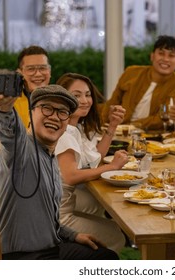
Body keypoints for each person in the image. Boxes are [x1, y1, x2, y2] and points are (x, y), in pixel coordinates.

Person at [0, 84, 118, 260]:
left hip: (49, 246)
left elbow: (47, 218)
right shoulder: (22, 149)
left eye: (62, 112)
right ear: (31, 113)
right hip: (20, 257)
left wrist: (74, 236)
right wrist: (4, 109)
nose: (55, 117)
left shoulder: (50, 155)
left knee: (105, 255)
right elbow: (10, 131)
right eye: (47, 108)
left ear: (67, 123)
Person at [55, 73, 127, 253]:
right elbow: (71, 176)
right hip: (57, 214)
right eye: (76, 95)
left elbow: (93, 159)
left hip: (63, 201)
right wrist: (112, 167)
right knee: (116, 235)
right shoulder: (63, 132)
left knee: (102, 202)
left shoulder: (73, 128)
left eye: (87, 95)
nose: (85, 100)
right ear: (63, 98)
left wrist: (112, 126)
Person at [101, 35, 175, 131]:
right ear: (152, 56)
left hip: (154, 136)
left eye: (171, 55)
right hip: (119, 131)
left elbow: (164, 117)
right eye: (161, 53)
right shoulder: (132, 72)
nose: (165, 59)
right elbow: (112, 103)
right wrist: (103, 124)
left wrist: (132, 125)